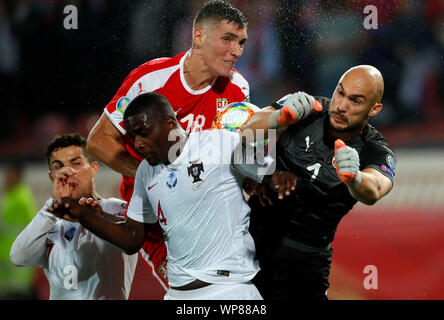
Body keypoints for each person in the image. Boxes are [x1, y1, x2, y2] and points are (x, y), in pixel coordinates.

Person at [86, 0, 249, 291]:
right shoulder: (151, 79)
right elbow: (98, 141)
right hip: (153, 221)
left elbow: (233, 153)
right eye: (227, 39)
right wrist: (154, 180)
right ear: (198, 36)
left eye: (241, 42)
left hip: (206, 215)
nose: (236, 51)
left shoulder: (238, 89)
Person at [49, 92, 270, 300]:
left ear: (170, 124)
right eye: (133, 137)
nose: (138, 144)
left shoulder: (219, 143)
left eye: (143, 133)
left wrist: (269, 180)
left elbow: (272, 175)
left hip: (229, 292)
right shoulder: (146, 171)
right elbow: (131, 238)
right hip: (177, 295)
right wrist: (83, 215)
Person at [239, 65, 396, 300]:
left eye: (355, 101)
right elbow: (246, 131)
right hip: (248, 247)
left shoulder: (374, 150)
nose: (341, 106)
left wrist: (355, 177)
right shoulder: (308, 108)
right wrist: (277, 117)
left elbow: (374, 190)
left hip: (304, 267)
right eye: (340, 93)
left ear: (374, 109)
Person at [10, 134, 138, 300]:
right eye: (58, 167)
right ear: (52, 177)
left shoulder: (115, 209)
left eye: (76, 163)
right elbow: (19, 256)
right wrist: (53, 204)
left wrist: (97, 217)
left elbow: (130, 241)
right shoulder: (50, 224)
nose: (67, 172)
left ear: (94, 168)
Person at [0, 163, 36, 299]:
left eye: (9, 175)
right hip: (10, 260)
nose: (6, 178)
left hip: (16, 261)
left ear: (18, 176)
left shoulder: (19, 199)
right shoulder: (13, 197)